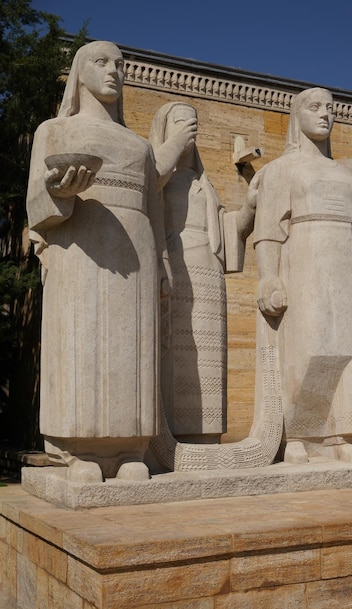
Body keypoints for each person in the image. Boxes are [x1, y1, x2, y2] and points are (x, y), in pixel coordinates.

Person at [26, 41, 168, 482]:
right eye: (101, 62)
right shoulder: (55, 131)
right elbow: (35, 202)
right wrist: (60, 192)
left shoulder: (140, 147)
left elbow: (156, 212)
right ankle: (77, 449)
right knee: (83, 342)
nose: (114, 72)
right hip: (81, 248)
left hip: (137, 254)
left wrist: (162, 265)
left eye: (121, 65)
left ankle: (129, 447)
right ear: (79, 72)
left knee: (133, 347)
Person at [253, 87, 352, 464]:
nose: (325, 114)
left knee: (351, 351)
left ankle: (342, 436)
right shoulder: (280, 169)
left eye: (331, 108)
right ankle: (299, 436)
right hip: (305, 256)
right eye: (315, 107)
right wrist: (268, 277)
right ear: (297, 116)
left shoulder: (345, 174)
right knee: (308, 348)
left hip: (347, 264)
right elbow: (269, 228)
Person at [149, 102, 256, 442]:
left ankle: (208, 434)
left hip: (209, 270)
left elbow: (228, 230)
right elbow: (149, 217)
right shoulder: (158, 179)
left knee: (210, 356)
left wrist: (251, 206)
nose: (189, 128)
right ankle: (171, 435)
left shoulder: (203, 183)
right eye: (181, 121)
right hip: (176, 265)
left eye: (193, 123)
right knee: (178, 351)